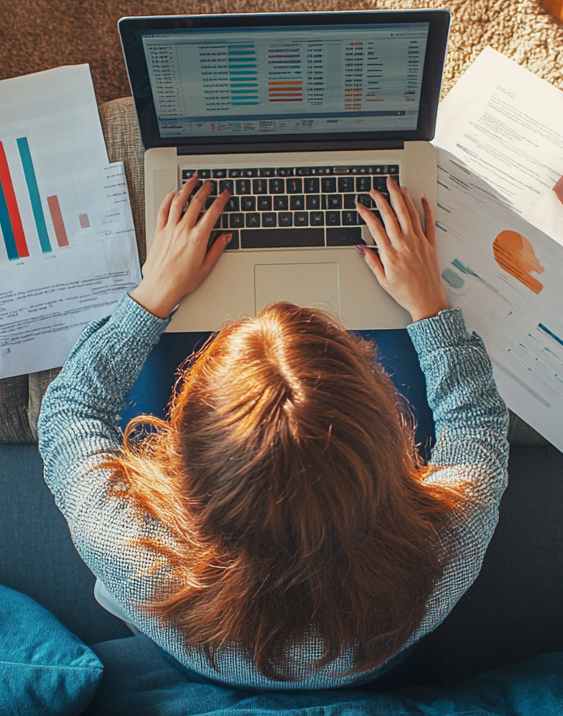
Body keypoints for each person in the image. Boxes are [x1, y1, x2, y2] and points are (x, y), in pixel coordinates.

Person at [38, 174, 509, 690]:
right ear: (382, 436)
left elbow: (71, 408)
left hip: (193, 640)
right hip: (375, 659)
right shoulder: (441, 554)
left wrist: (155, 293)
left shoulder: (137, 556)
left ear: (184, 456)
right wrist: (428, 305)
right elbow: (476, 425)